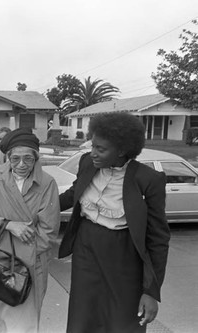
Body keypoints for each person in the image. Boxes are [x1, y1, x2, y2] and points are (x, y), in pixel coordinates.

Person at [58, 113, 171, 332]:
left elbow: (158, 238)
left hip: (124, 254)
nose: (93, 153)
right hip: (86, 247)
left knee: (122, 318)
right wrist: (37, 208)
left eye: (101, 149)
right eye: (93, 146)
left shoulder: (148, 179)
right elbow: (74, 193)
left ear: (121, 151)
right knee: (84, 313)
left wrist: (151, 291)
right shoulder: (87, 163)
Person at [0, 127, 60, 333]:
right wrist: (8, 224)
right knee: (4, 318)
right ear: (8, 157)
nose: (21, 165)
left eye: (28, 159)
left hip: (30, 265)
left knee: (25, 324)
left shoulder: (47, 183)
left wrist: (23, 262)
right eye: (15, 159)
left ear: (36, 158)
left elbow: (48, 231)